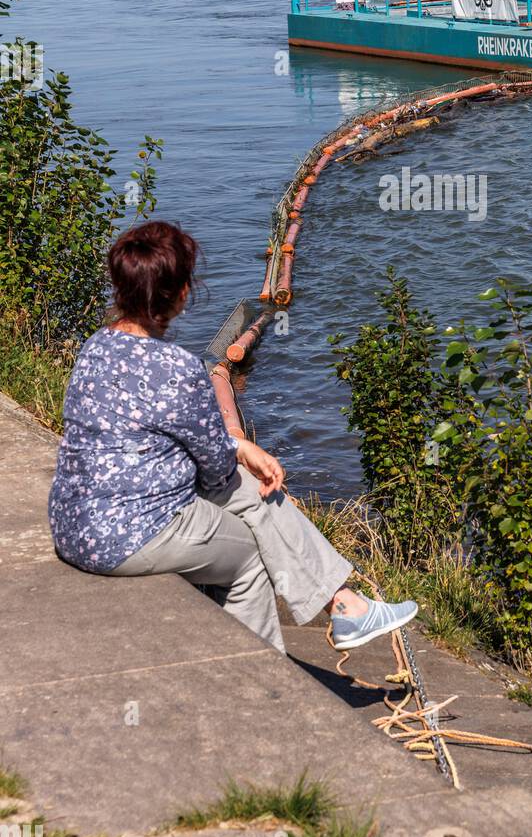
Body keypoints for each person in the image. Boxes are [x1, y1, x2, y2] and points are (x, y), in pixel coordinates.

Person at [47, 220, 417, 655]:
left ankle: (345, 603)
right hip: (126, 537)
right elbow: (217, 473)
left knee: (246, 488)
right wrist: (238, 453)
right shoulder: (178, 370)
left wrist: (240, 446)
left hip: (73, 522)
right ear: (182, 292)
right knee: (250, 553)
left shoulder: (95, 346)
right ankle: (262, 677)